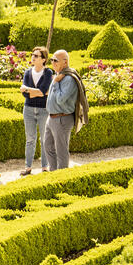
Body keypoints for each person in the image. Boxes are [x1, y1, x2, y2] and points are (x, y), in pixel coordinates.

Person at [43, 50, 86, 172]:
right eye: (52, 60)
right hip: (51, 118)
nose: (53, 62)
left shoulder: (69, 79)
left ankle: (62, 177)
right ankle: (54, 172)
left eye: (56, 60)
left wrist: (55, 83)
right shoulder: (58, 75)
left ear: (65, 62)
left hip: (62, 119)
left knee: (61, 150)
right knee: (48, 146)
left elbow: (61, 100)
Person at [19, 46, 53, 177]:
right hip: (28, 109)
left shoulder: (48, 73)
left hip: (44, 109)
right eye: (32, 55)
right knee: (30, 139)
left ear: (43, 59)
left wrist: (27, 89)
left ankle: (45, 167)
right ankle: (28, 167)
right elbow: (27, 96)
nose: (33, 57)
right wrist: (35, 92)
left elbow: (42, 91)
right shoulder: (27, 72)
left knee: (44, 139)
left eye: (36, 55)